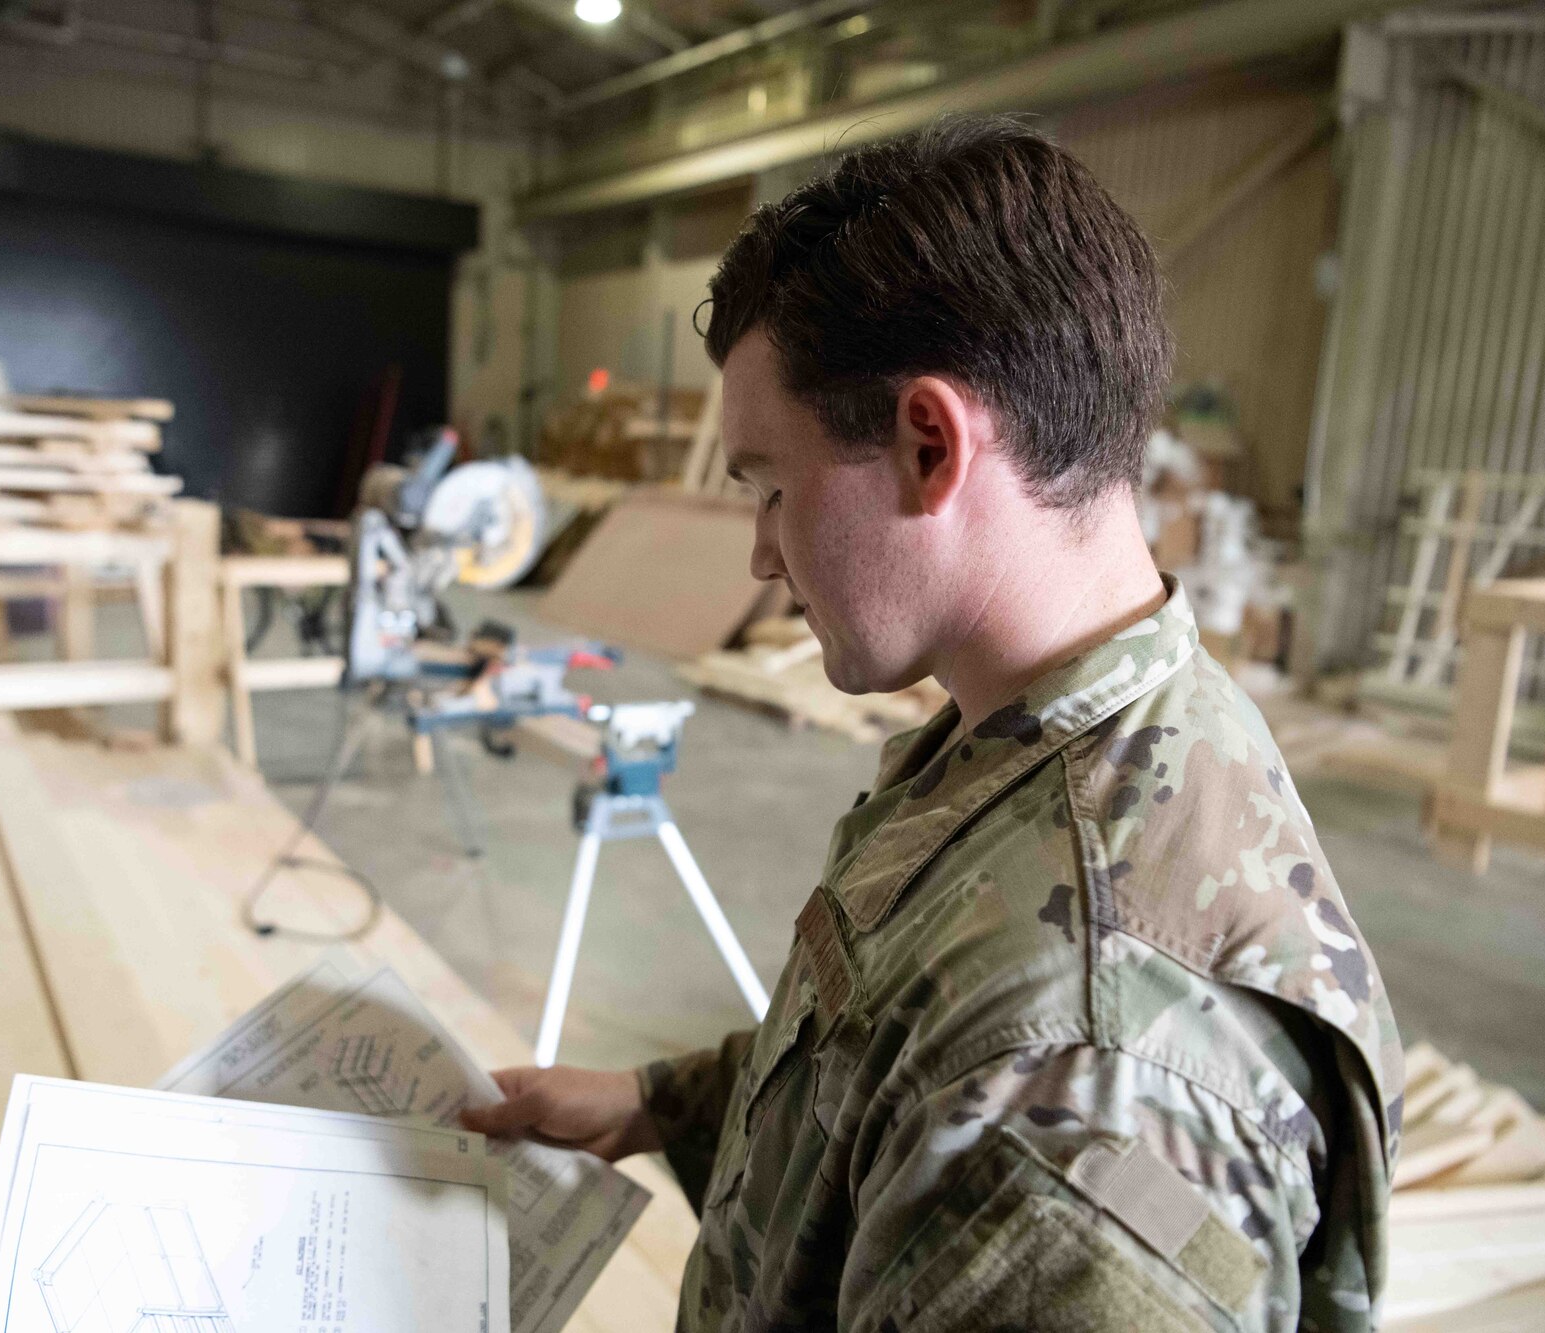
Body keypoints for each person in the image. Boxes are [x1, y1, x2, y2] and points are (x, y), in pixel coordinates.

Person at [461, 116, 1404, 1333]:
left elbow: (981, 1065)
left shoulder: (1078, 1076)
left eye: (768, 486)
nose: (758, 553)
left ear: (926, 445)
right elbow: (888, 1040)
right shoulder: (1050, 726)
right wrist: (656, 1103)